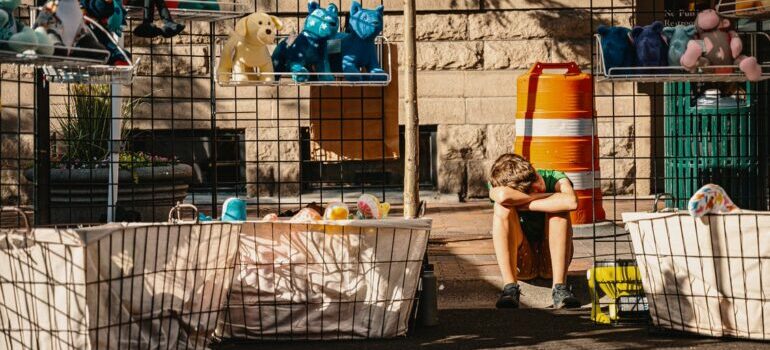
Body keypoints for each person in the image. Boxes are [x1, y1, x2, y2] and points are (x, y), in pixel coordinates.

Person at [488, 153, 580, 309]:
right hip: (523, 263)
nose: (538, 186)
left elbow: (571, 201)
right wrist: (548, 199)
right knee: (501, 209)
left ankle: (560, 290)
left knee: (560, 211)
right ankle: (510, 289)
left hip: (550, 261)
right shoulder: (500, 183)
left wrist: (527, 202)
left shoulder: (555, 177)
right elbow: (502, 196)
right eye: (530, 190)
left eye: (536, 178)